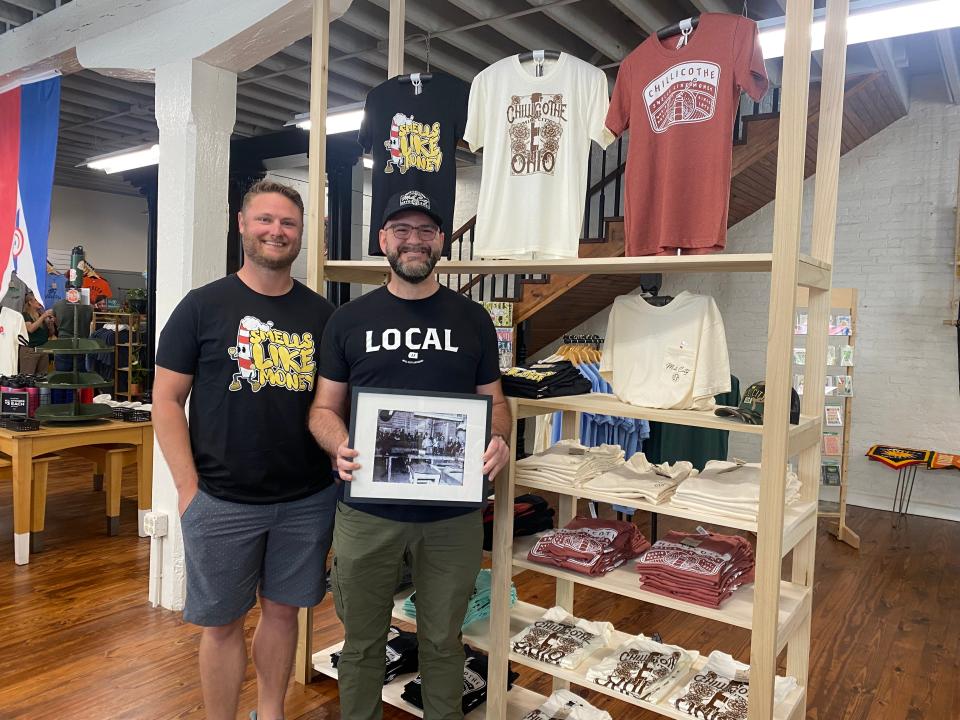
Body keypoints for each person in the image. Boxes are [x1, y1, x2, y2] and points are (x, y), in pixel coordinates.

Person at [309, 190, 511, 720]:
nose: (414, 240)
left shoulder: (473, 320)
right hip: (366, 513)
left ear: (441, 240)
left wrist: (499, 441)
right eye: (401, 229)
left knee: (445, 643)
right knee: (361, 644)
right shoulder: (348, 320)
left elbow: (495, 404)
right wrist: (339, 444)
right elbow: (323, 410)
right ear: (383, 240)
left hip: (452, 518)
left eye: (425, 231)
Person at [152, 179, 337, 720]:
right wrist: (188, 489)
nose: (276, 231)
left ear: (302, 234)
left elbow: (332, 407)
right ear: (242, 224)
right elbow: (166, 400)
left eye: (288, 223)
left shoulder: (323, 316)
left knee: (283, 615)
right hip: (221, 499)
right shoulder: (202, 306)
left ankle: (271, 712)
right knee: (222, 623)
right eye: (265, 220)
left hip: (305, 499)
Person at [20, 292, 55, 375]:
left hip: (43, 350)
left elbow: (51, 333)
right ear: (30, 302)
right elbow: (30, 329)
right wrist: (43, 316)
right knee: (28, 379)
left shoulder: (40, 314)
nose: (39, 302)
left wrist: (51, 323)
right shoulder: (25, 315)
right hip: (30, 351)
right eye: (36, 300)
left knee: (42, 379)